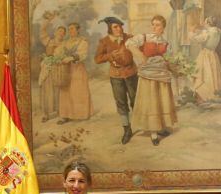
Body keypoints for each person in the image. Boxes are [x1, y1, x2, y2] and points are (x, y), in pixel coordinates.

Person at [127, 15, 176, 146]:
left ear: (163, 27)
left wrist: (175, 68)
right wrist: (140, 56)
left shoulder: (165, 42)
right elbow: (129, 44)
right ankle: (153, 133)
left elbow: (168, 58)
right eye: (153, 24)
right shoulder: (144, 37)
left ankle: (161, 127)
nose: (154, 27)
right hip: (148, 74)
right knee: (152, 102)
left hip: (162, 74)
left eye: (158, 25)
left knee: (162, 101)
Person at [93, 16, 138, 144]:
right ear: (109, 28)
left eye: (120, 26)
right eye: (116, 27)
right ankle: (127, 129)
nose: (119, 29)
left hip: (131, 73)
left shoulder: (129, 38)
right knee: (121, 103)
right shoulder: (104, 42)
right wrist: (110, 55)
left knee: (136, 100)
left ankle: (142, 124)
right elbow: (97, 59)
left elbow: (141, 48)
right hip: (116, 76)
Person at [56, 22, 92, 125]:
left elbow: (83, 54)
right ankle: (65, 115)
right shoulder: (66, 42)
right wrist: (58, 57)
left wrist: (71, 58)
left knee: (78, 90)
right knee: (65, 91)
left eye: (72, 29)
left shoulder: (83, 41)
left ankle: (80, 115)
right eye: (69, 29)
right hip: (66, 69)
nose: (70, 31)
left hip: (78, 68)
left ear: (78, 30)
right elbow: (59, 51)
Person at [38, 20, 66, 123]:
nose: (61, 34)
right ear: (55, 32)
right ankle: (45, 114)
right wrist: (47, 21)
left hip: (59, 68)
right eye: (59, 31)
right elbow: (42, 31)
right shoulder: (49, 41)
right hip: (48, 68)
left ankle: (59, 112)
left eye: (63, 33)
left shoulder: (65, 44)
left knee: (58, 91)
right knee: (47, 89)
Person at [189, 16, 221, 103]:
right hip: (213, 55)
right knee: (212, 74)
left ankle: (204, 97)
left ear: (208, 23)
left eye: (205, 22)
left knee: (204, 74)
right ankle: (212, 94)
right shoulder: (218, 31)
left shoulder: (207, 33)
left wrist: (192, 32)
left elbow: (196, 39)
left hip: (205, 55)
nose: (204, 24)